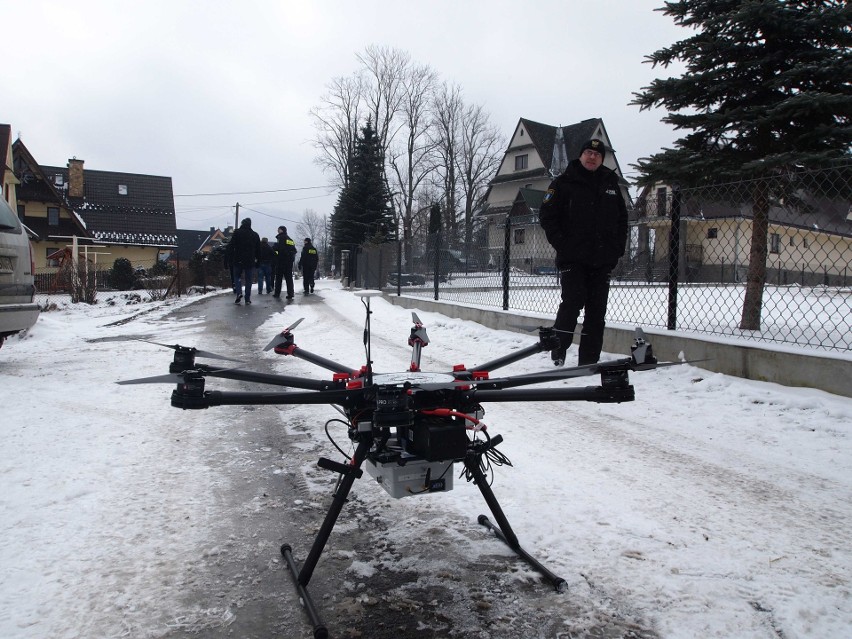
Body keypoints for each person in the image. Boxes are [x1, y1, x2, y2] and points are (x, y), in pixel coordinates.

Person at [539, 138, 628, 367]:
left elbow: (622, 219)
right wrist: (562, 244)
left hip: (602, 260)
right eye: (588, 152)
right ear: (581, 155)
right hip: (573, 258)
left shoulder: (610, 184)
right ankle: (558, 348)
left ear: (601, 159)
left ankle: (589, 361)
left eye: (597, 155)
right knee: (572, 303)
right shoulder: (563, 183)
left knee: (596, 313)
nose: (592, 157)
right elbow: (547, 216)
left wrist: (617, 248)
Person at [225, 217, 261, 305]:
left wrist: (227, 259)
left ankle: (239, 292)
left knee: (237, 277)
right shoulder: (255, 235)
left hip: (238, 259)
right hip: (250, 260)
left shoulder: (237, 233)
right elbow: (258, 250)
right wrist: (258, 261)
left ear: (242, 223)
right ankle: (247, 298)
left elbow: (231, 246)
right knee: (249, 280)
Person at [273, 225, 297, 299]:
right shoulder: (290, 240)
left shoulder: (281, 238)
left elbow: (280, 249)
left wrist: (275, 249)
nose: (277, 231)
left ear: (282, 230)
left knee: (279, 278)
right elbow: (294, 250)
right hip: (289, 262)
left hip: (281, 261)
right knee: (289, 278)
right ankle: (290, 293)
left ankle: (277, 293)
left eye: (279, 229)